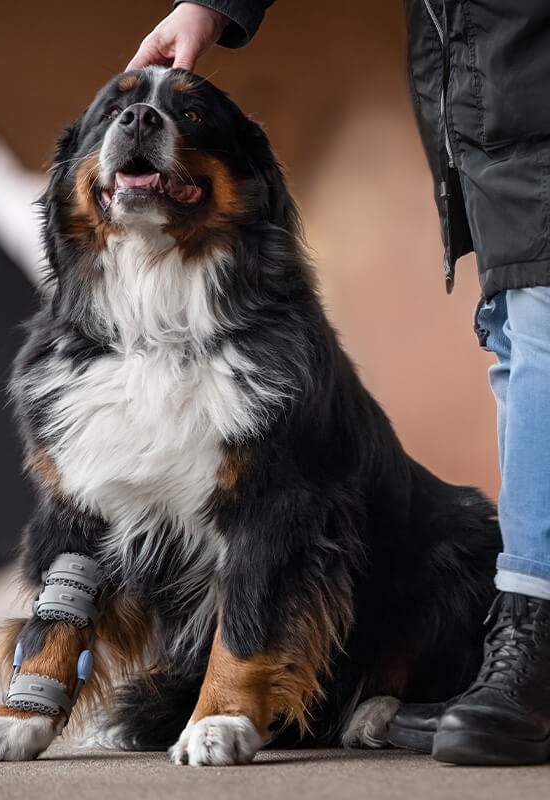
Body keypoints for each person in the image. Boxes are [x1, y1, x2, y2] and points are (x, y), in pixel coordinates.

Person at [127, 0, 550, 766]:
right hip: (488, 112)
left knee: (539, 332)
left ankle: (533, 646)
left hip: (518, 100)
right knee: (520, 339)